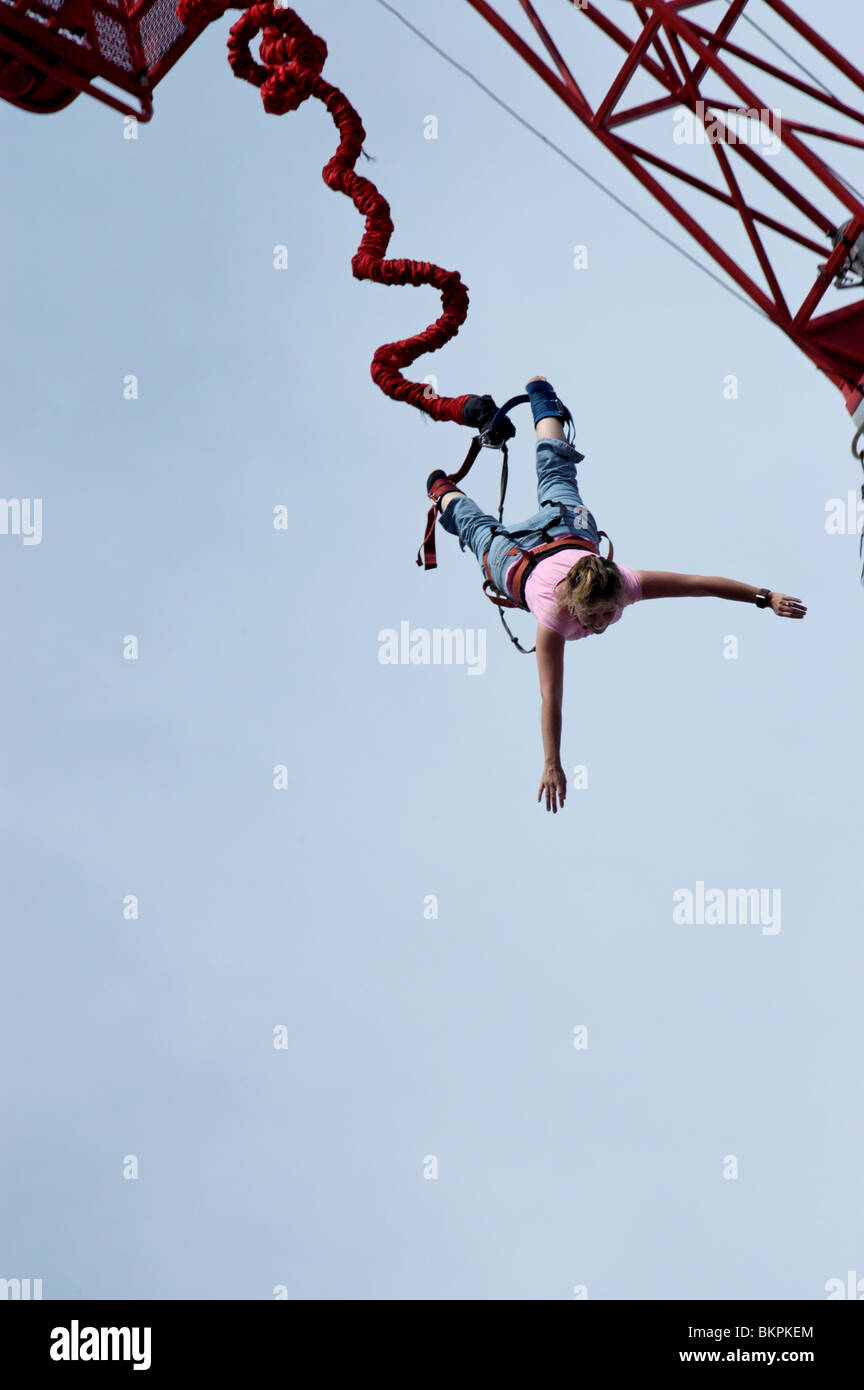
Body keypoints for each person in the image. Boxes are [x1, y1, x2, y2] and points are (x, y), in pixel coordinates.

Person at [427, 376, 807, 814]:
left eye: (607, 616)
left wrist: (765, 596)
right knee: (481, 529)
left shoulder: (623, 584)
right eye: (597, 619)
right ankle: (445, 489)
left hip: (566, 530)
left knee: (555, 471)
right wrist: (552, 762)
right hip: (524, 558)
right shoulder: (552, 617)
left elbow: (699, 585)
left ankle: (529, 405)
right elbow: (552, 697)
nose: (603, 626)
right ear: (574, 606)